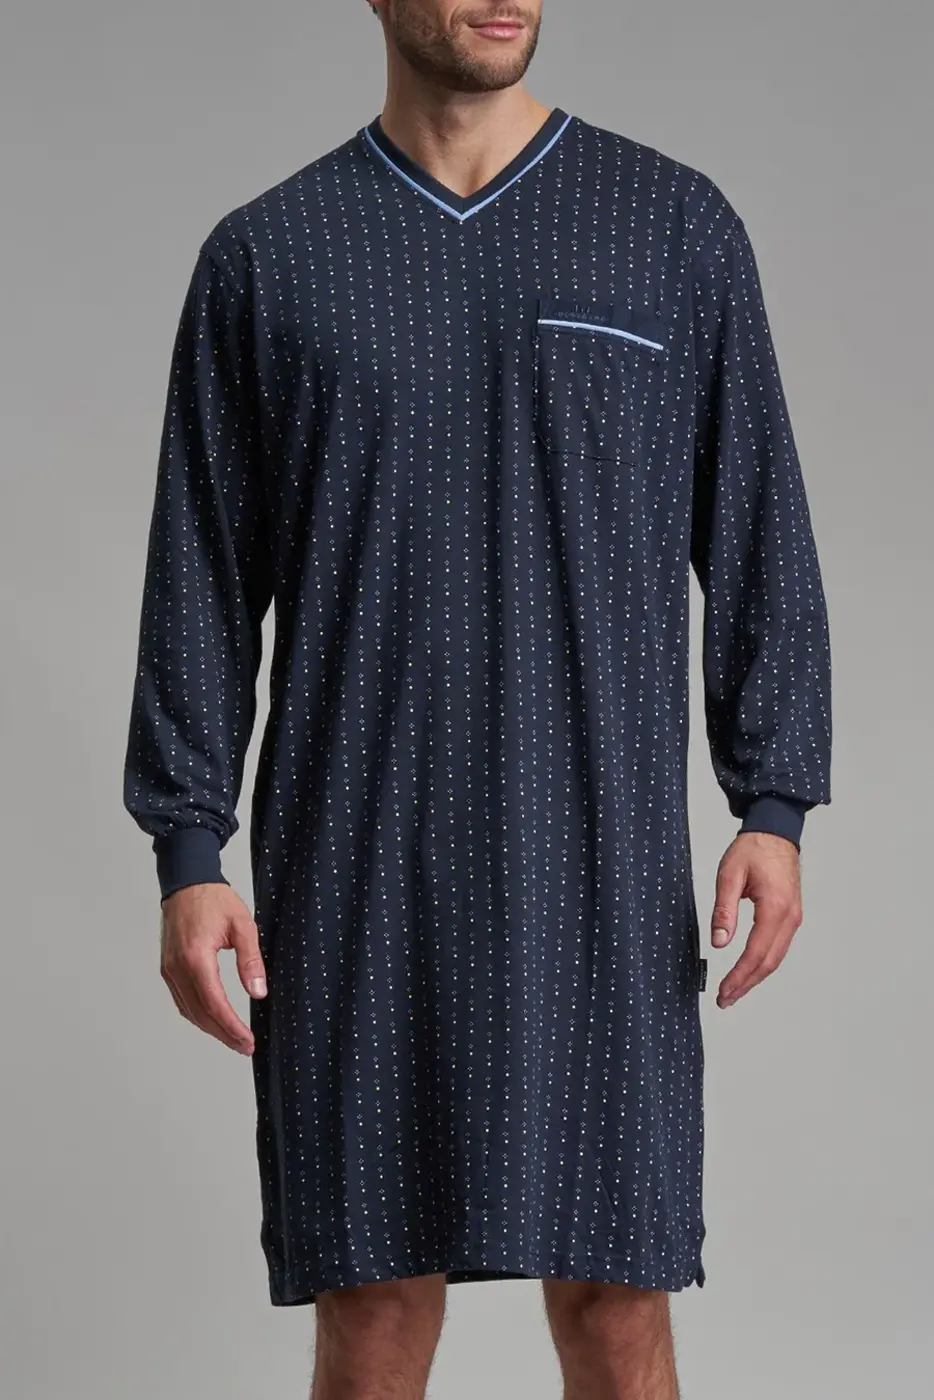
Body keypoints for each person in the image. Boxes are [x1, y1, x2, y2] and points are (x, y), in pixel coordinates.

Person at [122, 1, 832, 1395]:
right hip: (355, 870)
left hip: (600, 866)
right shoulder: (270, 254)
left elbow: (759, 530)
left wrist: (774, 802)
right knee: (373, 1312)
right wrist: (188, 849)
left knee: (618, 1306)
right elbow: (197, 574)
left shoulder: (670, 228)